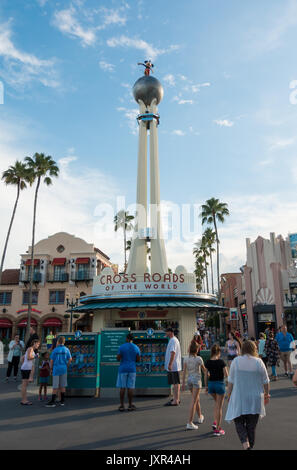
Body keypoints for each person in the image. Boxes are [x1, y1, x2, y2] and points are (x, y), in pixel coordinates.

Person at [225, 340, 270, 450]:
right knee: (251, 426)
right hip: (255, 398)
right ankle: (250, 446)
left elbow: (230, 381)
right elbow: (266, 381)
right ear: (254, 349)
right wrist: (266, 394)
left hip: (239, 397)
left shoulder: (236, 361)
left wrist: (228, 394)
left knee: (239, 422)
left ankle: (246, 445)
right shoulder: (258, 362)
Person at [205, 344, 229, 436]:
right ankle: (218, 429)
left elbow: (206, 376)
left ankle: (215, 421)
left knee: (217, 404)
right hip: (219, 384)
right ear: (219, 352)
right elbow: (226, 374)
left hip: (211, 385)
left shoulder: (208, 362)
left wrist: (206, 387)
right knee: (219, 407)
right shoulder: (221, 362)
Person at [182, 341, 206, 430]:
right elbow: (204, 370)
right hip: (196, 381)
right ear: (196, 349)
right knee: (194, 401)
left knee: (196, 399)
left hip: (189, 380)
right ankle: (189, 422)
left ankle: (200, 416)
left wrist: (183, 384)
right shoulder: (199, 359)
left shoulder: (185, 359)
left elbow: (184, 372)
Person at [116, 333, 141, 411]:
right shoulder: (136, 347)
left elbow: (118, 358)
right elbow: (138, 359)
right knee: (130, 387)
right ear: (132, 339)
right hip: (132, 369)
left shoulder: (122, 347)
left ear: (127, 338)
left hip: (123, 369)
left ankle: (122, 405)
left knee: (122, 387)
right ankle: (130, 405)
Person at [46, 336, 72, 408]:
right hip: (63, 368)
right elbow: (70, 359)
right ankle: (62, 401)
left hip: (56, 369)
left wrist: (51, 368)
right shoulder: (66, 349)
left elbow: (51, 360)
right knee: (63, 385)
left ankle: (53, 402)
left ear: (58, 342)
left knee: (55, 386)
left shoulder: (55, 350)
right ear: (64, 342)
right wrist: (67, 365)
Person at [164, 327, 182, 406]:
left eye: (167, 332)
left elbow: (173, 353)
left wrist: (170, 364)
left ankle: (176, 400)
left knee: (176, 383)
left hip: (174, 366)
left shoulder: (173, 340)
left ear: (170, 332)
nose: (166, 334)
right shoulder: (172, 340)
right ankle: (176, 398)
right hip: (173, 366)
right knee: (175, 383)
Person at [20, 339, 40, 405]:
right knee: (24, 385)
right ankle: (24, 400)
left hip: (25, 368)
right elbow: (28, 358)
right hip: (26, 369)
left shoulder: (30, 349)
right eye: (37, 344)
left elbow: (23, 358)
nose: (38, 346)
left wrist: (23, 364)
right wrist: (36, 356)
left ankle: (24, 400)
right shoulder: (30, 349)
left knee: (25, 385)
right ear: (34, 343)